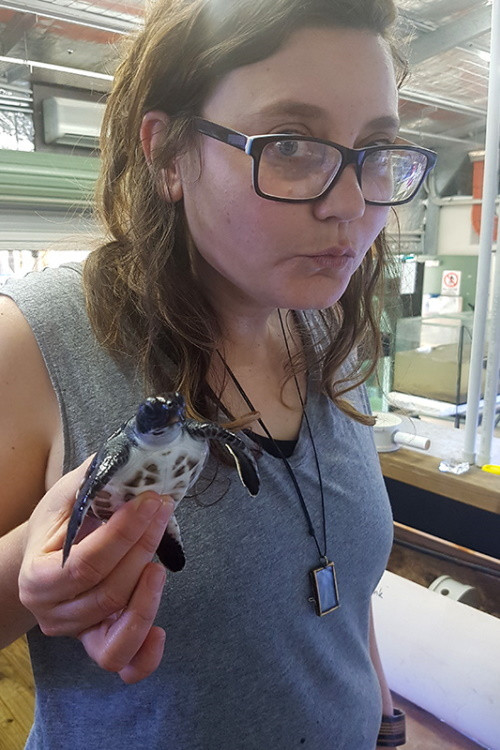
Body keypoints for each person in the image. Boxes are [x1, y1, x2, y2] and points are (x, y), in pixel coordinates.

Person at [0, 0, 436, 747]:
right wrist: (30, 570)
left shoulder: (326, 332)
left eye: (374, 149)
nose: (351, 204)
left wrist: (385, 724)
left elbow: (337, 591)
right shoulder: (34, 343)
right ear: (168, 154)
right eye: (291, 144)